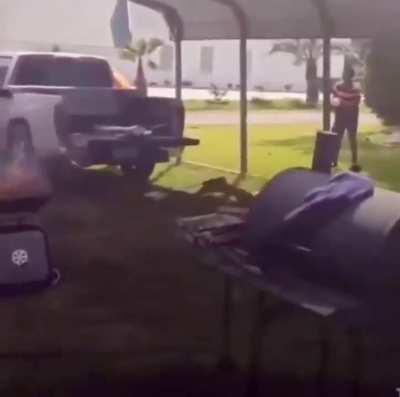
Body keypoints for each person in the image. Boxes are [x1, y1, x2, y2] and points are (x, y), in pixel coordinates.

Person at [331, 67, 362, 172]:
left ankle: (354, 162)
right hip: (340, 116)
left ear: (350, 76)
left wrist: (342, 102)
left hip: (351, 117)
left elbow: (356, 103)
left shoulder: (356, 89)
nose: (344, 76)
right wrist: (343, 103)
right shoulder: (338, 86)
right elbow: (334, 101)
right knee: (336, 138)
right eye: (344, 74)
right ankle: (333, 160)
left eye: (346, 74)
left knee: (352, 138)